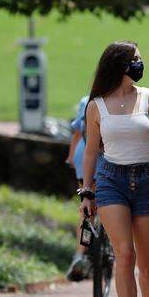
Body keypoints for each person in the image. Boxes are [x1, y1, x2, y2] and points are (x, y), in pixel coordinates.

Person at [79, 42, 149, 297]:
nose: (140, 65)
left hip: (147, 179)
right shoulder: (97, 106)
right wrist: (86, 191)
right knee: (124, 255)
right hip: (111, 180)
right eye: (135, 60)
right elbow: (91, 151)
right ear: (119, 65)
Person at [66, 95, 91, 281]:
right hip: (110, 157)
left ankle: (80, 254)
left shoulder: (86, 100)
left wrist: (71, 157)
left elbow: (77, 132)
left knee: (87, 210)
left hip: (84, 157)